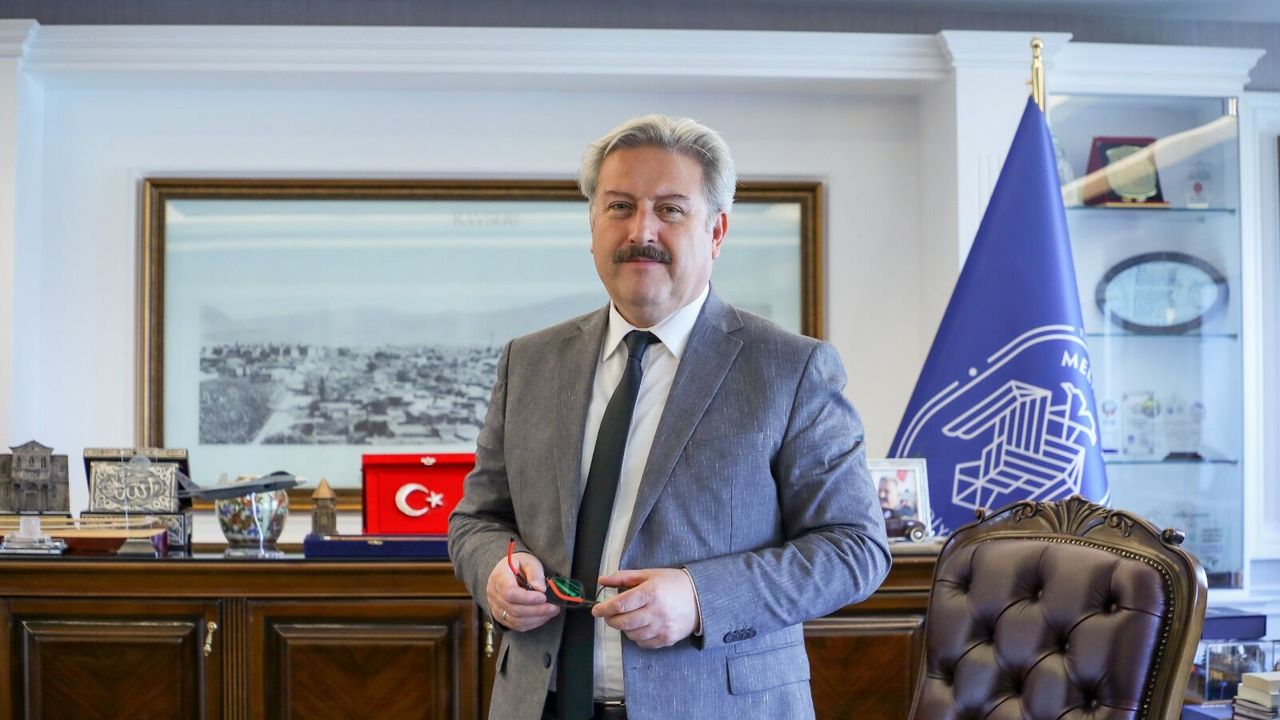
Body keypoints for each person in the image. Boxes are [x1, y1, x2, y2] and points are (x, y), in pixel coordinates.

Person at [448, 114, 891, 720]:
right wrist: (494, 574)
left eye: (671, 210)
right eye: (620, 206)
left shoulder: (791, 368)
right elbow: (477, 519)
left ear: (716, 231)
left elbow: (855, 548)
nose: (641, 231)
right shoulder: (529, 362)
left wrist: (701, 598)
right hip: (539, 703)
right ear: (592, 225)